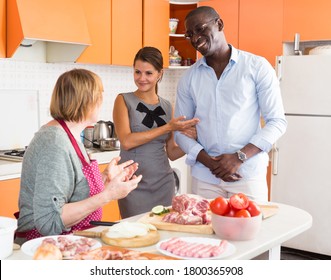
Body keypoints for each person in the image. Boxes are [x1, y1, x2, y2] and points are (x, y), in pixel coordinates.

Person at [15, 69, 142, 244]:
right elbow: (49, 221)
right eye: (98, 96)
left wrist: (106, 178)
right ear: (85, 101)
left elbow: (72, 189)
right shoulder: (55, 143)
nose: (101, 101)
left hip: (70, 240)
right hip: (43, 246)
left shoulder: (70, 134)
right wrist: (108, 195)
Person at [174, 6, 287, 201]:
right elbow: (180, 132)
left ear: (219, 24)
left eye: (200, 29)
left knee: (250, 231)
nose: (195, 39)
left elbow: (277, 121)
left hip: (247, 176)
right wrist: (210, 163)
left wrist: (239, 157)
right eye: (189, 34)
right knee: (203, 231)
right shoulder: (188, 78)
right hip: (205, 179)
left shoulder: (257, 67)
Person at [113, 46, 199, 218]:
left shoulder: (167, 106)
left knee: (163, 234)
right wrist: (168, 127)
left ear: (160, 74)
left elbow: (172, 153)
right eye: (137, 72)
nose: (141, 78)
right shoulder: (123, 100)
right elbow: (127, 141)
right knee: (134, 236)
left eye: (148, 73)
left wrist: (196, 138)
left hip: (163, 183)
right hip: (133, 185)